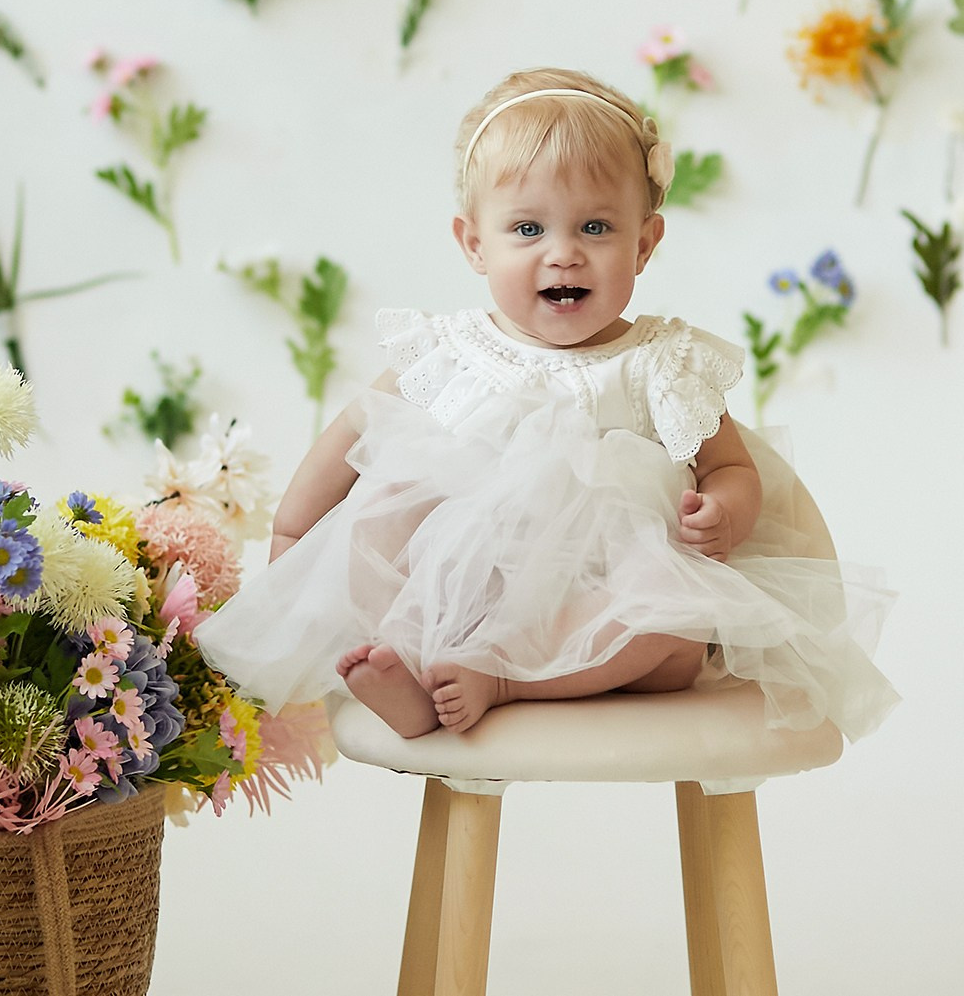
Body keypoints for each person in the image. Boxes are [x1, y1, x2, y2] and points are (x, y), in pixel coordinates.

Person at [194, 67, 897, 744]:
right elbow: (344, 448)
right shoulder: (448, 352)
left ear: (645, 243)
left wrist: (724, 512)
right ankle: (413, 678)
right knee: (386, 517)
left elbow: (732, 468)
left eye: (596, 228)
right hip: (468, 603)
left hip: (606, 607)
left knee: (679, 617)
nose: (564, 254)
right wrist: (291, 551)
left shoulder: (661, 361)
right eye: (528, 229)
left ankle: (504, 680)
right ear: (475, 243)